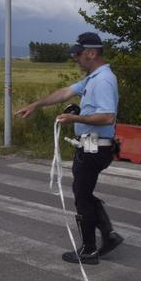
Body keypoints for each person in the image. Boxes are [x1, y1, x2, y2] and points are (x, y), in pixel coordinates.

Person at [15, 32, 124, 265]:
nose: (75, 58)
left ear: (91, 53)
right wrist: (36, 105)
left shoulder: (103, 80)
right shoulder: (93, 77)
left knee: (82, 198)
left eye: (78, 54)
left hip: (94, 148)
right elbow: (65, 92)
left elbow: (107, 117)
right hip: (93, 146)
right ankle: (109, 234)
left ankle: (89, 250)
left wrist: (74, 119)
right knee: (84, 193)